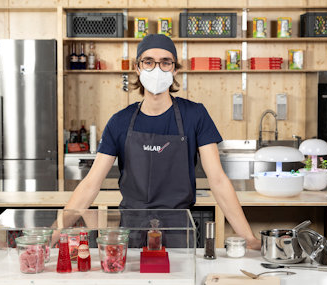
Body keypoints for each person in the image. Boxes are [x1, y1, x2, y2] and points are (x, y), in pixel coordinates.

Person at [63, 34, 261, 250]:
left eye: (165, 62)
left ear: (174, 69)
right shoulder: (120, 121)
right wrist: (54, 234)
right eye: (148, 62)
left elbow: (218, 180)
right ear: (138, 68)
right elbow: (90, 185)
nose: (157, 69)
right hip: (132, 232)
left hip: (179, 232)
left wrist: (248, 238)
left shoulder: (195, 115)